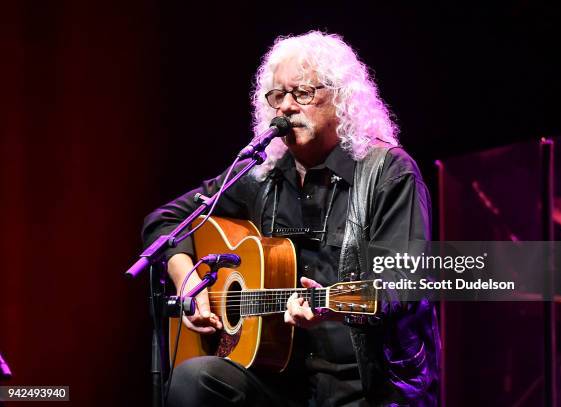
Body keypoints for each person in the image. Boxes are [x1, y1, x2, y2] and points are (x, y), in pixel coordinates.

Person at [143, 31, 440, 406]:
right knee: (194, 378)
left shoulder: (389, 173)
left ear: (341, 99)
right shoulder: (260, 175)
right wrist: (187, 280)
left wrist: (334, 305)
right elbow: (166, 221)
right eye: (277, 96)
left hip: (368, 386)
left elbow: (404, 284)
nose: (285, 107)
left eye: (301, 93)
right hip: (279, 382)